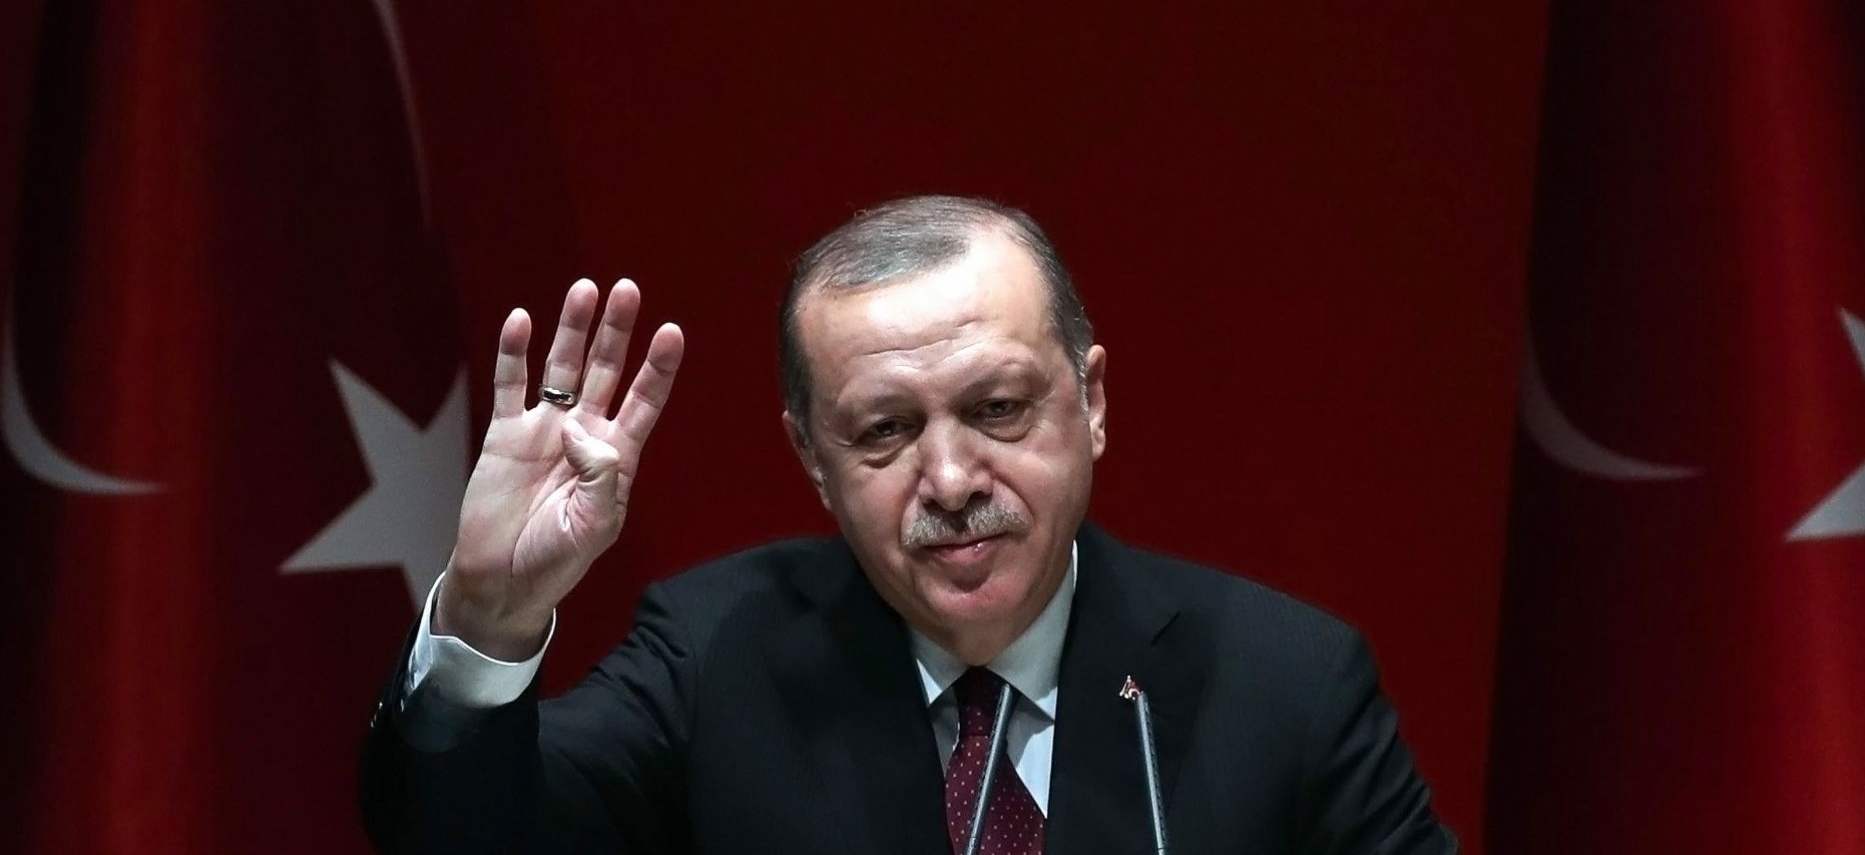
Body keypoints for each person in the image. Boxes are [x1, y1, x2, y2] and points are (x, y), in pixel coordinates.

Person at [360, 195, 1457, 854]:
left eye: (997, 408)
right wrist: (492, 613)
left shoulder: (1285, 683)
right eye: (884, 429)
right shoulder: (717, 658)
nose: (948, 475)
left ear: (1094, 402)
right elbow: (460, 841)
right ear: (812, 460)